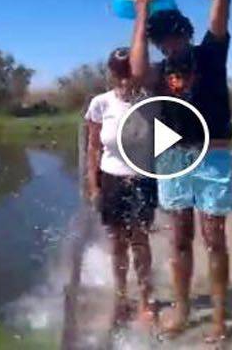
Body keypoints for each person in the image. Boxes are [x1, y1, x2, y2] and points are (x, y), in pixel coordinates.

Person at [129, 0, 232, 343]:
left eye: (174, 37)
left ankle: (220, 319)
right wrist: (141, 14)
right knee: (179, 239)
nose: (169, 45)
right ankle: (183, 310)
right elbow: (136, 70)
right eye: (162, 41)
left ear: (187, 33)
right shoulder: (157, 71)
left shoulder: (210, 54)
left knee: (214, 237)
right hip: (173, 159)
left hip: (213, 156)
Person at [84, 46, 158, 328]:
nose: (125, 80)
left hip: (142, 180)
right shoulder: (100, 103)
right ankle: (121, 297)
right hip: (112, 179)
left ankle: (146, 299)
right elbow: (93, 148)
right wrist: (94, 185)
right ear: (111, 74)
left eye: (129, 73)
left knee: (140, 242)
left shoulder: (151, 102)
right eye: (119, 74)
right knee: (117, 244)